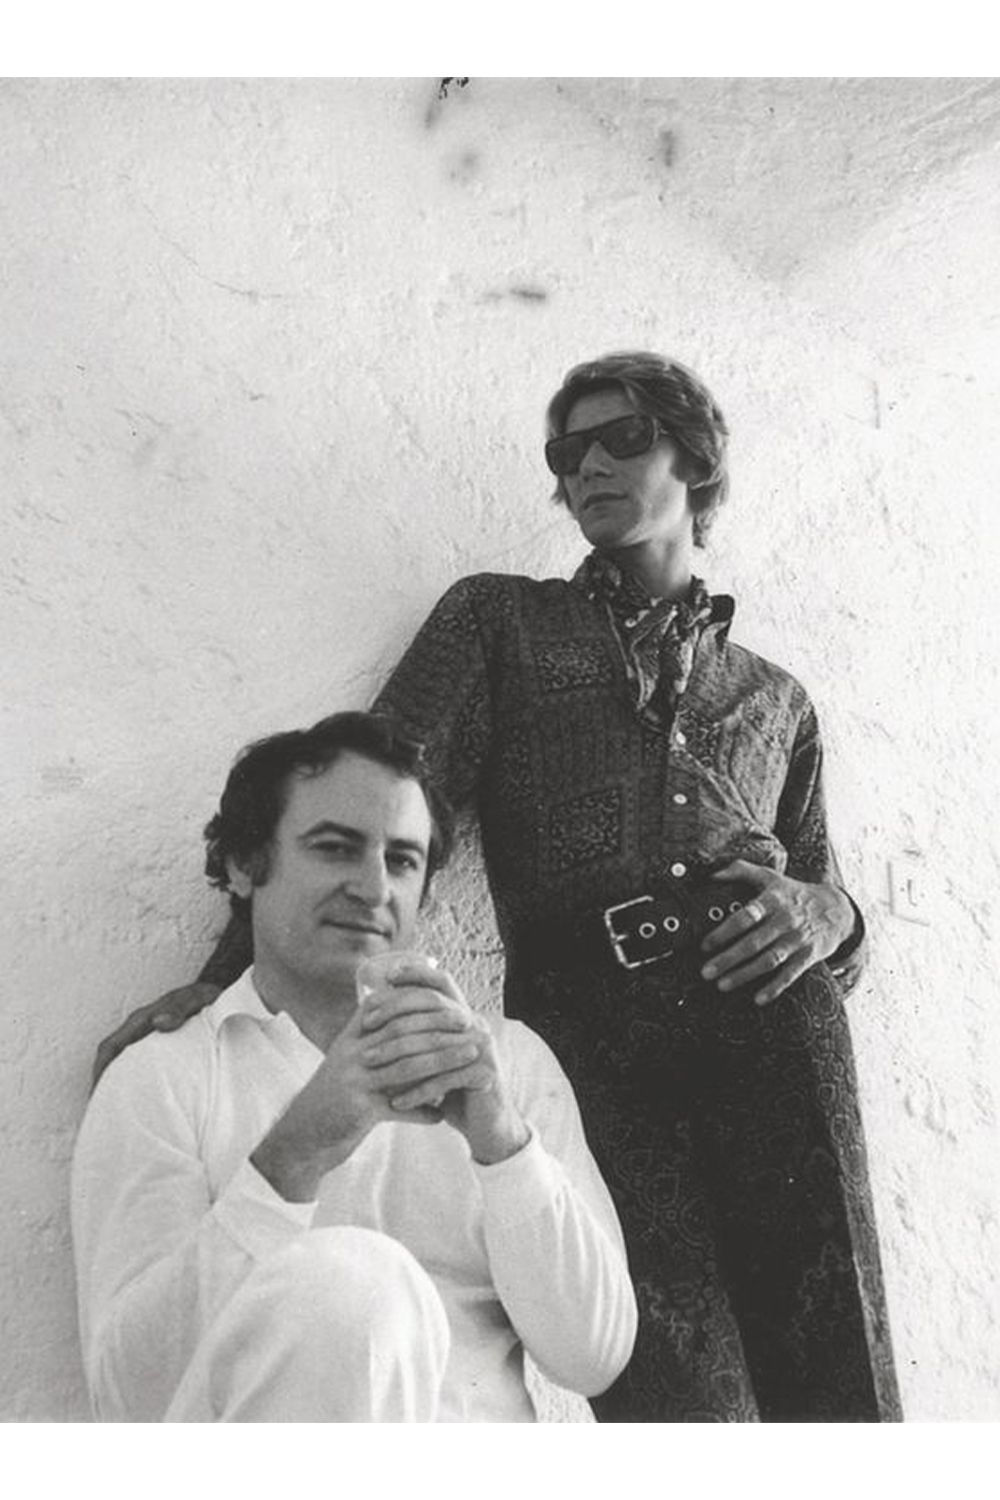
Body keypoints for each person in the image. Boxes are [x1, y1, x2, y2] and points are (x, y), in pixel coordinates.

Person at [93, 352, 901, 1422]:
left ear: (696, 459)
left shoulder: (776, 697)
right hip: (594, 1022)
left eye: (622, 439)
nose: (588, 468)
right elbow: (378, 800)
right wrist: (224, 981)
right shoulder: (499, 621)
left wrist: (832, 912)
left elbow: (825, 897)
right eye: (567, 453)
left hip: (771, 1011)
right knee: (671, 1381)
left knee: (836, 1349)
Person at [72, 711, 637, 1422]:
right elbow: (127, 1403)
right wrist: (296, 1152)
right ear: (245, 864)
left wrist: (503, 1144)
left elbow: (594, 1358)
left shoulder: (510, 1064)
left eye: (402, 861)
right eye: (336, 848)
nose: (373, 888)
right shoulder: (162, 1077)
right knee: (356, 1280)